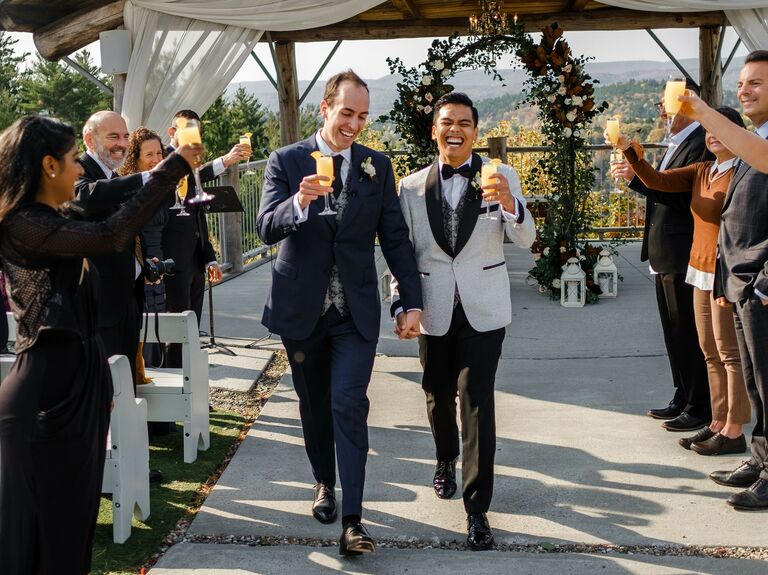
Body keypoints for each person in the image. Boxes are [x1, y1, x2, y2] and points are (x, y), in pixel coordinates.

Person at [0, 115, 200, 574]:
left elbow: (109, 204)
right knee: (44, 536)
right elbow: (110, 236)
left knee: (72, 529)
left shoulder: (52, 215)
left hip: (79, 378)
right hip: (46, 395)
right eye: (73, 161)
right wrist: (171, 169)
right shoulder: (21, 224)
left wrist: (168, 172)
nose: (78, 171)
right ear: (49, 166)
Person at [257, 70, 423, 555]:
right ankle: (322, 482)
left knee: (347, 403)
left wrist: (409, 300)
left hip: (355, 311)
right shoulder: (284, 161)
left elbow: (394, 236)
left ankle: (354, 520)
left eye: (363, 116)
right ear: (325, 108)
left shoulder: (376, 165)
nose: (354, 124)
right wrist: (299, 202)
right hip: (302, 310)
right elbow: (267, 226)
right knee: (314, 406)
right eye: (347, 112)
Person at [392, 92, 535, 550]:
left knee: (476, 402)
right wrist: (401, 305)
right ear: (434, 130)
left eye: (465, 123)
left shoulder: (502, 175)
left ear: (475, 131)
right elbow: (403, 257)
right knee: (436, 394)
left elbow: (527, 238)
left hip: (484, 309)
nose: (456, 130)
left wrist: (512, 204)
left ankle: (477, 510)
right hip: (432, 309)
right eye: (447, 122)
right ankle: (444, 458)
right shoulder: (410, 187)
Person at [609, 107, 750, 457]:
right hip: (698, 268)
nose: (714, 134)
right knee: (709, 352)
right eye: (710, 129)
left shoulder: (745, 172)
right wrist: (629, 150)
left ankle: (735, 428)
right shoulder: (703, 170)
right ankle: (717, 422)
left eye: (722, 128)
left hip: (723, 271)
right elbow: (657, 181)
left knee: (730, 354)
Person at [613, 79, 713, 432]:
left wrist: (637, 177)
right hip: (663, 250)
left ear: (689, 103)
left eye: (666, 103)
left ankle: (700, 405)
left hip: (682, 247)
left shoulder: (704, 142)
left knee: (688, 330)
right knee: (672, 331)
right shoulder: (678, 142)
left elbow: (681, 195)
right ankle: (682, 393)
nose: (662, 110)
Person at [700, 50, 768, 510]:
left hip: (762, 285)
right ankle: (761, 459)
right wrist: (727, 283)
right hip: (740, 283)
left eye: (756, 84)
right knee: (755, 383)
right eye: (741, 83)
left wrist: (764, 282)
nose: (744, 90)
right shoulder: (749, 140)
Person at [162, 110, 249, 367]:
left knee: (191, 326)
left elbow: (199, 216)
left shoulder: (191, 164)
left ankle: (191, 383)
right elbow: (185, 178)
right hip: (171, 261)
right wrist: (226, 159)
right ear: (171, 133)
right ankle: (176, 385)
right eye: (187, 129)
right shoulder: (163, 161)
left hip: (194, 260)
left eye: (196, 131)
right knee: (175, 330)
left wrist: (209, 258)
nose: (193, 135)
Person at [72, 111, 152, 387]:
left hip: (127, 299)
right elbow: (87, 196)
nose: (122, 143)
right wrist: (148, 177)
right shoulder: (77, 169)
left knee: (126, 380)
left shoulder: (114, 175)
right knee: (106, 387)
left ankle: (135, 430)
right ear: (89, 140)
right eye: (113, 136)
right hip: (99, 304)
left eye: (126, 136)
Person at [119, 127, 167, 370]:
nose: (156, 160)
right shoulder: (127, 187)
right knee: (142, 329)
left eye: (159, 153)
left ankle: (158, 377)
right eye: (149, 155)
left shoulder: (159, 188)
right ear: (134, 156)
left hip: (159, 265)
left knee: (159, 326)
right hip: (141, 266)